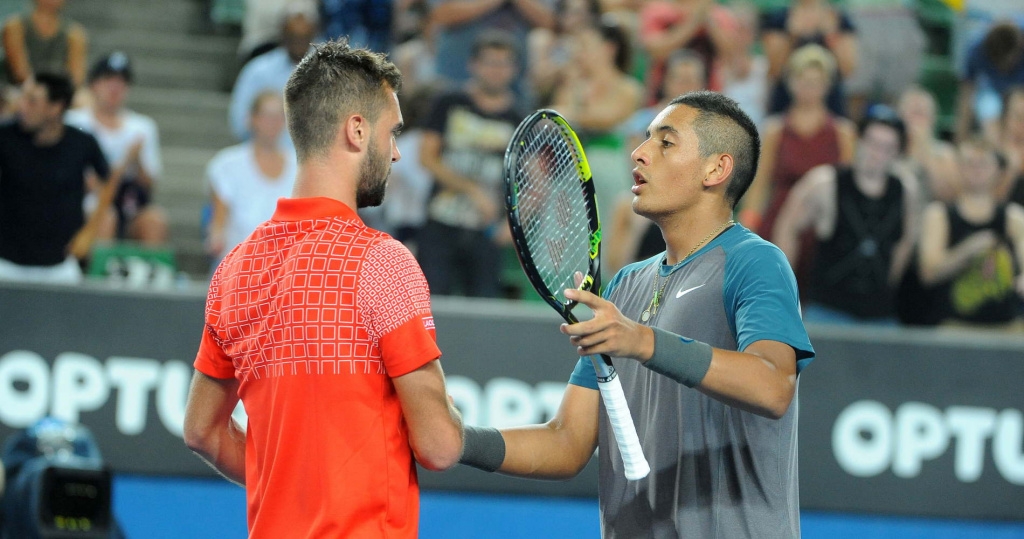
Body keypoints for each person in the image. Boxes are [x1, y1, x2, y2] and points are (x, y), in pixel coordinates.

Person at [458, 91, 814, 537]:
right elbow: (567, 442)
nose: (640, 153)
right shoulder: (626, 284)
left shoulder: (755, 262)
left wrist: (643, 342)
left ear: (716, 169)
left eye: (665, 143)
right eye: (646, 139)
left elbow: (773, 384)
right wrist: (460, 440)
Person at [183, 40, 464, 538]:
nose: (397, 151)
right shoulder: (383, 263)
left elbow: (201, 430)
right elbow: (440, 445)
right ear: (356, 130)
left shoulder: (234, 269)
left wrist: (289, 489)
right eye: (391, 131)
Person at [772, 107, 918, 325]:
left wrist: (888, 283)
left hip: (879, 314)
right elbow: (787, 226)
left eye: (888, 148)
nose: (878, 154)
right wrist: (784, 290)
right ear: (859, 141)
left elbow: (906, 240)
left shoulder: (906, 192)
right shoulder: (824, 183)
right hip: (828, 310)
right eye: (872, 143)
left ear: (897, 152)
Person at [417, 31, 525, 297]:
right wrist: (471, 190)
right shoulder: (449, 102)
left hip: (487, 230)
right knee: (431, 302)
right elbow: (427, 157)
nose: (496, 71)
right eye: (489, 62)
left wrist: (515, 224)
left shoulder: (519, 117)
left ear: (514, 70)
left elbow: (535, 180)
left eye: (503, 64)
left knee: (484, 307)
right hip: (441, 219)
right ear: (473, 65)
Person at [0, 73, 118, 284]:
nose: (22, 106)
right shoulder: (5, 136)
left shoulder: (82, 143)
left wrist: (90, 231)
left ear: (56, 108)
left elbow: (109, 181)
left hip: (60, 266)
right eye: (23, 98)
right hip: (6, 263)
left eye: (32, 101)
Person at [917, 137, 1024, 329]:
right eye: (969, 163)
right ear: (958, 169)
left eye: (983, 164)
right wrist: (968, 250)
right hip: (954, 325)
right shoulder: (939, 215)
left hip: (1007, 326)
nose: (976, 170)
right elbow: (928, 273)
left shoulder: (1013, 217)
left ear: (999, 171)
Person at [66, 51, 168, 246]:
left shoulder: (142, 127)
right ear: (94, 84)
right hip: (84, 201)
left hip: (127, 202)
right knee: (105, 215)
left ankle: (148, 274)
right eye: (108, 80)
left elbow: (149, 183)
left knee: (154, 220)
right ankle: (97, 274)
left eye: (122, 82)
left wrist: (136, 160)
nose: (115, 88)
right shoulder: (75, 122)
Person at [204, 91, 296, 265]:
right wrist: (216, 237)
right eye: (267, 116)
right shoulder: (226, 164)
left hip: (287, 264)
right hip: (240, 263)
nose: (273, 123)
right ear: (252, 119)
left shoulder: (300, 165)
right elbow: (219, 220)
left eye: (279, 117)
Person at [228, 4, 318, 144]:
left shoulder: (329, 71)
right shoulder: (257, 71)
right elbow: (239, 122)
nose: (298, 44)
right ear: (282, 33)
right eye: (293, 37)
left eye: (303, 37)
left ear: (313, 35)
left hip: (316, 160)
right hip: (267, 155)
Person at [761, 0, 857, 117]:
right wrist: (792, 35)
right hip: (786, 103)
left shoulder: (839, 19)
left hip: (830, 104)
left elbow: (848, 69)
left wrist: (830, 34)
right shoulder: (778, 20)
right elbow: (774, 71)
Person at [955, 20, 1024, 144]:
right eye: (1000, 65)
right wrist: (960, 139)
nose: (1005, 68)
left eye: (1009, 62)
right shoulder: (974, 50)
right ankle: (997, 151)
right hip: (991, 91)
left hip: (1019, 90)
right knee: (988, 108)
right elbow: (966, 97)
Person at [1, 0, 87, 87]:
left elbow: (76, 77)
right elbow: (19, 72)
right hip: (18, 90)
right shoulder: (15, 27)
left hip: (57, 92)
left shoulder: (74, 34)